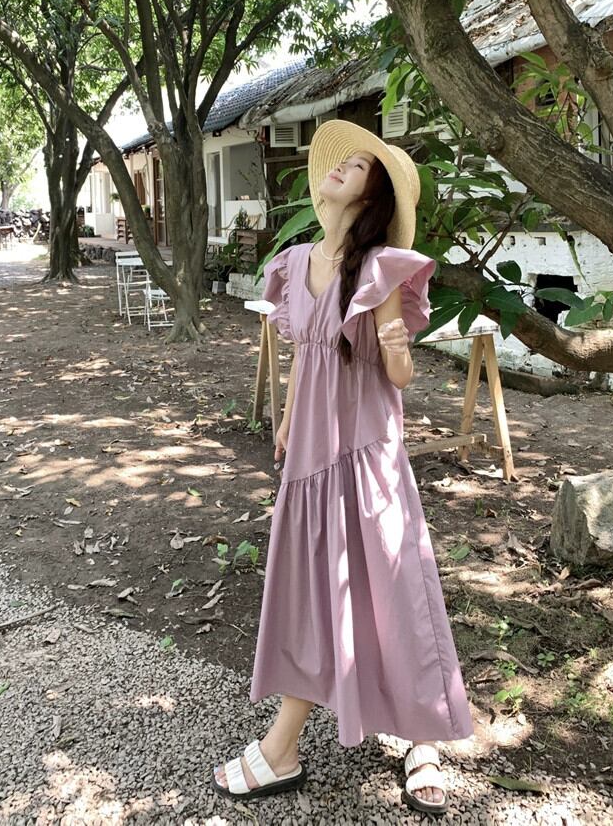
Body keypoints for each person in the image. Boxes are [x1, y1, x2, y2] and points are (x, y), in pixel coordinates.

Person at [212, 120, 474, 816]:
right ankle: (285, 746)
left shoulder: (381, 267)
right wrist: (288, 422)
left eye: (358, 167)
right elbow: (306, 355)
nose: (339, 169)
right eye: (343, 161)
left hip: (366, 453)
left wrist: (395, 340)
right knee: (312, 591)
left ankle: (421, 738)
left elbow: (400, 375)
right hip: (311, 458)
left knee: (395, 590)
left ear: (372, 195)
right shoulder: (296, 264)